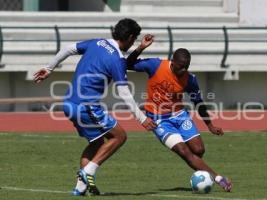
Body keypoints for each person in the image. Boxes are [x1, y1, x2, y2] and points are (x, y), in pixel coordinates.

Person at [33, 19, 157, 196]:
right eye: (135, 39)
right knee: (119, 136)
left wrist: (49, 68)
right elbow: (124, 93)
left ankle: (79, 188)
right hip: (86, 106)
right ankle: (88, 171)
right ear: (130, 37)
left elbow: (68, 48)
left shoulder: (98, 42)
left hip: (68, 103)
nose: (134, 42)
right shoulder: (117, 59)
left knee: (97, 142)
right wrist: (142, 118)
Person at [126, 34, 232, 192]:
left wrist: (210, 125)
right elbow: (128, 64)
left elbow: (198, 102)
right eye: (180, 66)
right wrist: (141, 47)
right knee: (183, 151)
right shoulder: (156, 66)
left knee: (198, 150)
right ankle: (217, 178)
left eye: (186, 67)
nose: (183, 70)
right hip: (158, 120)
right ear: (172, 61)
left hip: (179, 115)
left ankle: (199, 172)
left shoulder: (190, 79)